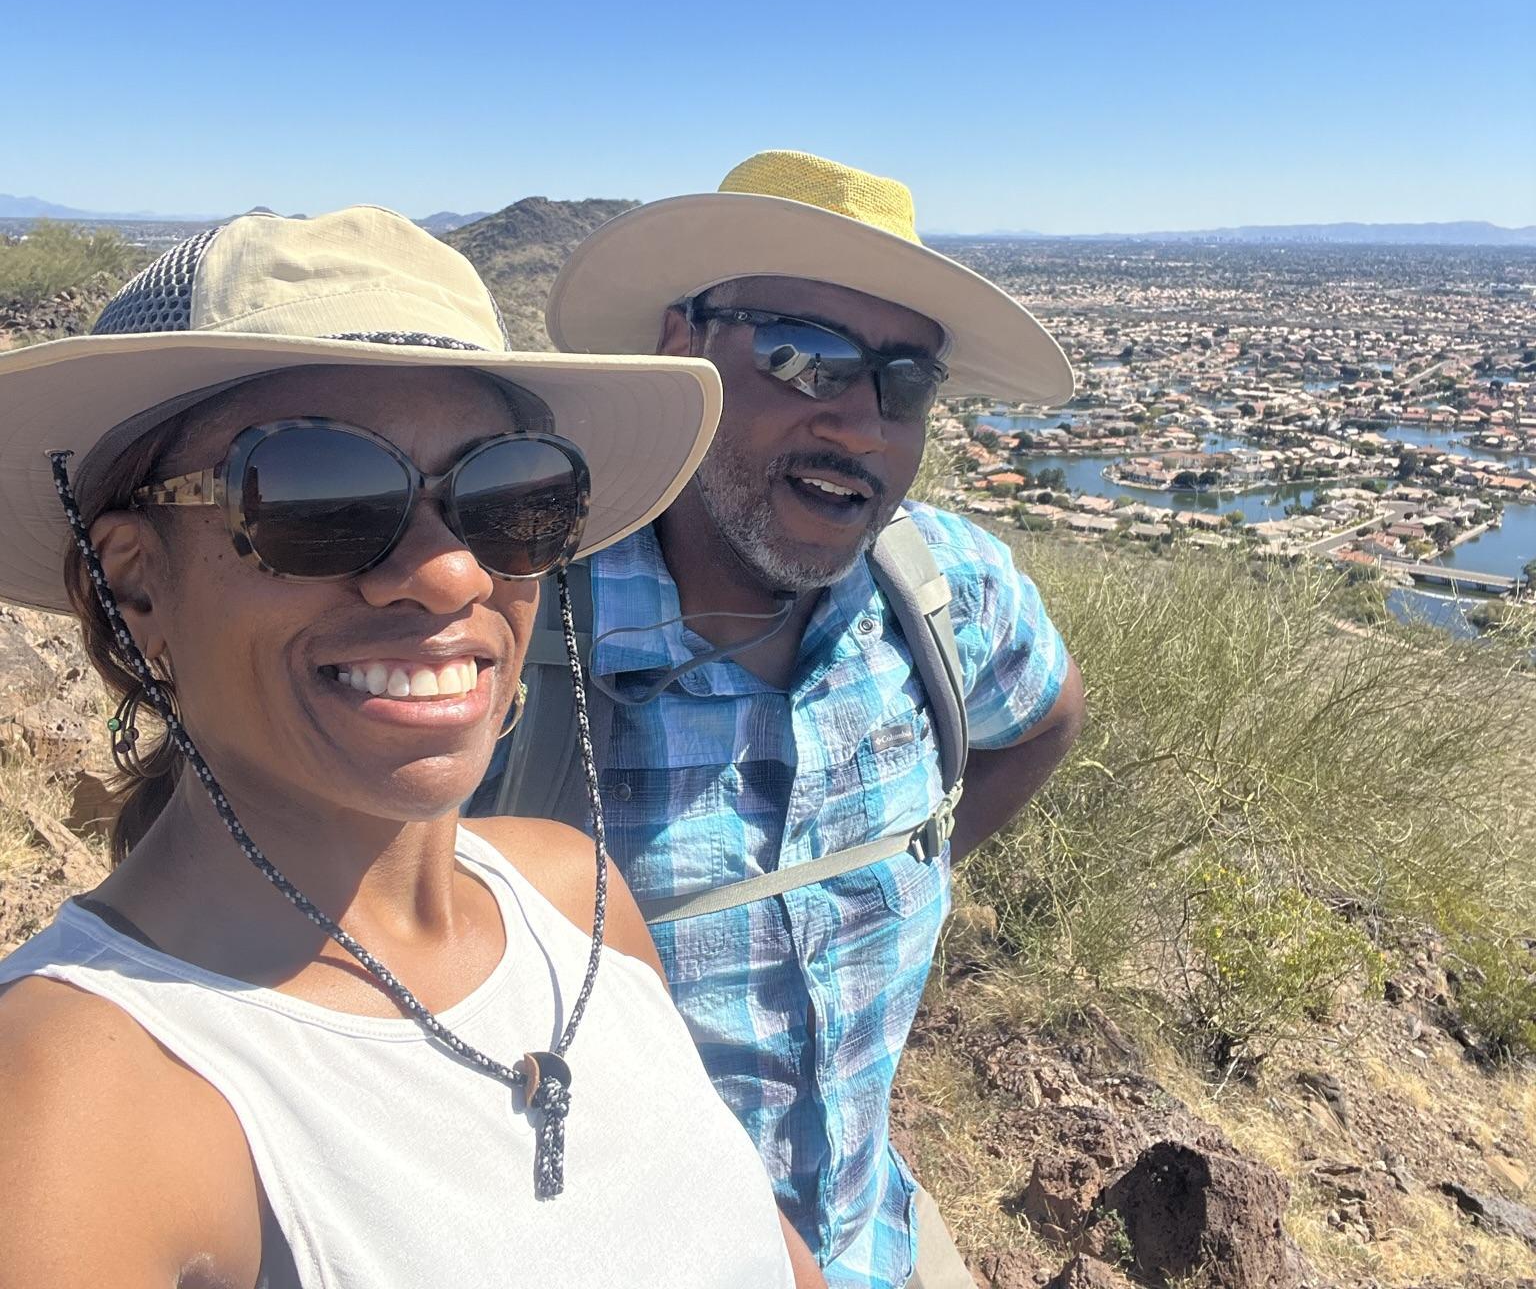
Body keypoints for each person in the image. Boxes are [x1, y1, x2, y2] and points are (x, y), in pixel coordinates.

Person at [0, 207, 823, 1288]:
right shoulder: (75, 1099)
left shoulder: (571, 895)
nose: (450, 574)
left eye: (511, 497)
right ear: (135, 582)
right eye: (321, 497)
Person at [505, 151, 1087, 1288]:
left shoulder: (945, 592)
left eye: (903, 383)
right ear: (680, 350)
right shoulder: (517, 637)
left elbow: (1047, 716)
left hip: (874, 1241)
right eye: (803, 356)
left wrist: (904, 863)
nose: (861, 426)